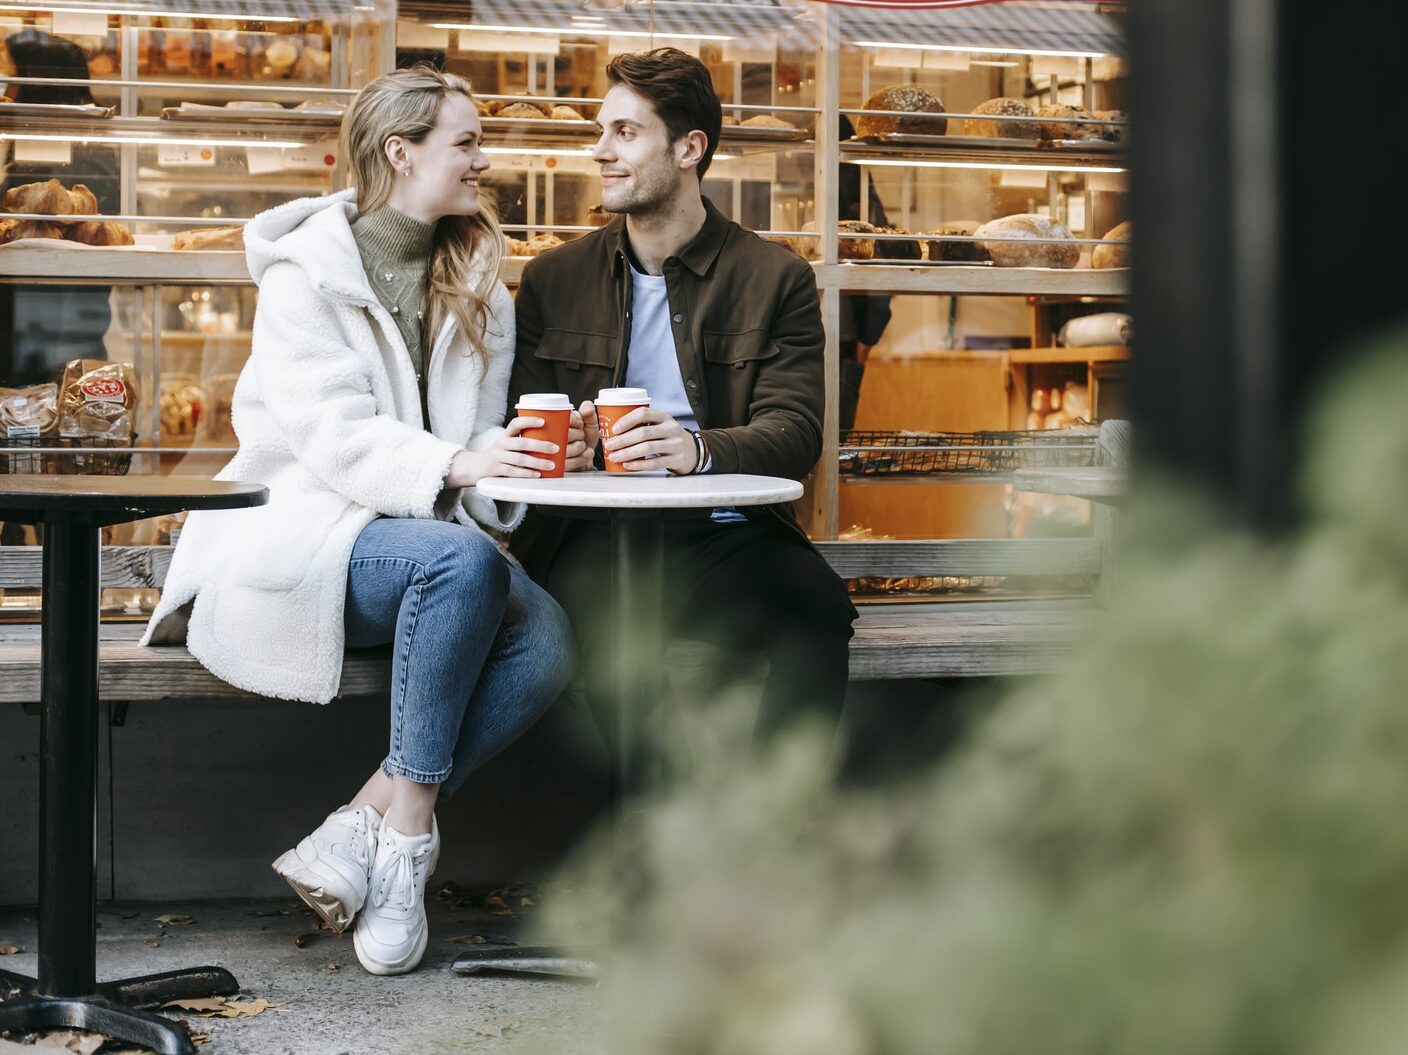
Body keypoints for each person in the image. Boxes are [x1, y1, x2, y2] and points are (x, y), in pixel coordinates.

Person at [141, 65, 575, 975]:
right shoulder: (307, 277)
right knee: (462, 566)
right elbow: (333, 439)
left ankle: (370, 823)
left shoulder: (480, 284)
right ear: (399, 151)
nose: (483, 158)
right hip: (308, 540)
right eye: (465, 141)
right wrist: (457, 467)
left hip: (430, 547)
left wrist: (508, 461)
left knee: (550, 642)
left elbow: (480, 426)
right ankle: (410, 852)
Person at [509, 48, 857, 771]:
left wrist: (695, 450)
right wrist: (564, 451)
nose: (600, 151)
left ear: (690, 148)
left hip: (722, 536)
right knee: (607, 644)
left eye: (626, 133)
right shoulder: (553, 278)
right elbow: (521, 418)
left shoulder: (776, 278)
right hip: (586, 536)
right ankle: (665, 840)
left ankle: (773, 818)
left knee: (816, 606)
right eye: (602, 131)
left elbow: (795, 433)